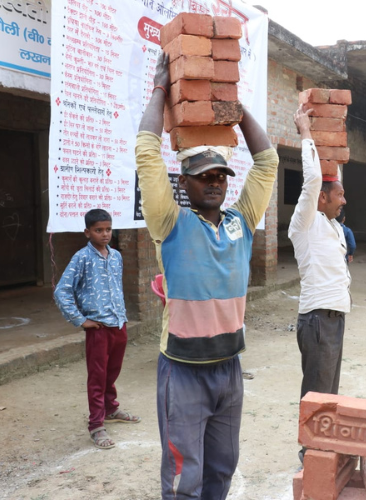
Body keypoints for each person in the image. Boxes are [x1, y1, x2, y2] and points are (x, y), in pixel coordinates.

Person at [135, 53, 279, 499]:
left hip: (228, 368)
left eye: (220, 175)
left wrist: (235, 107)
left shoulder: (241, 221)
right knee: (186, 475)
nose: (214, 182)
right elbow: (147, 153)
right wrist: (160, 89)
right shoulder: (170, 223)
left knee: (221, 467)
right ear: (185, 183)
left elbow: (267, 161)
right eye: (203, 177)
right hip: (183, 371)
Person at [289, 105, 351, 462]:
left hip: (335, 318)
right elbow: (314, 180)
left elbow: (326, 175)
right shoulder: (305, 222)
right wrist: (306, 133)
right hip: (316, 319)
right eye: (339, 194)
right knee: (316, 389)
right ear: (322, 198)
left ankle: (322, 445)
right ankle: (310, 451)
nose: (344, 200)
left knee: (330, 390)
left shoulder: (334, 227)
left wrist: (331, 148)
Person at [54, 209, 138, 451]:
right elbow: (62, 291)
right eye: (98, 230)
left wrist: (121, 317)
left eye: (108, 229)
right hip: (98, 328)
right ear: (87, 232)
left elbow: (116, 289)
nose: (105, 234)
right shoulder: (81, 258)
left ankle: (111, 409)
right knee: (97, 377)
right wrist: (80, 320)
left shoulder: (116, 256)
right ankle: (96, 425)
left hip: (118, 324)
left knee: (112, 371)